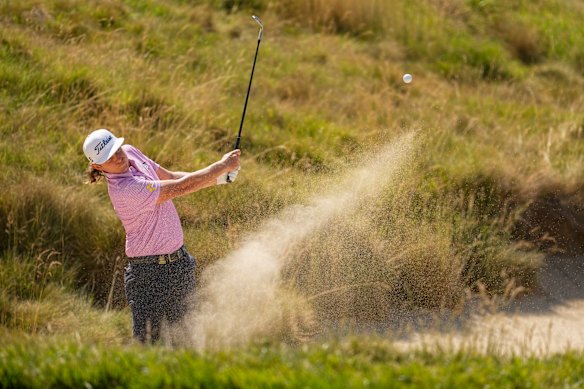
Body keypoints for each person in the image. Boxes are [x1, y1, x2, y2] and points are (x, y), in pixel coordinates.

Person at [83, 128, 240, 344]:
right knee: (148, 344)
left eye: (116, 148)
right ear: (98, 167)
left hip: (180, 264)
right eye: (108, 157)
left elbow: (171, 177)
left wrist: (219, 179)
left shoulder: (130, 153)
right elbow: (178, 188)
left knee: (186, 341)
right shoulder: (125, 191)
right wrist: (220, 167)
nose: (118, 157)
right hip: (147, 274)